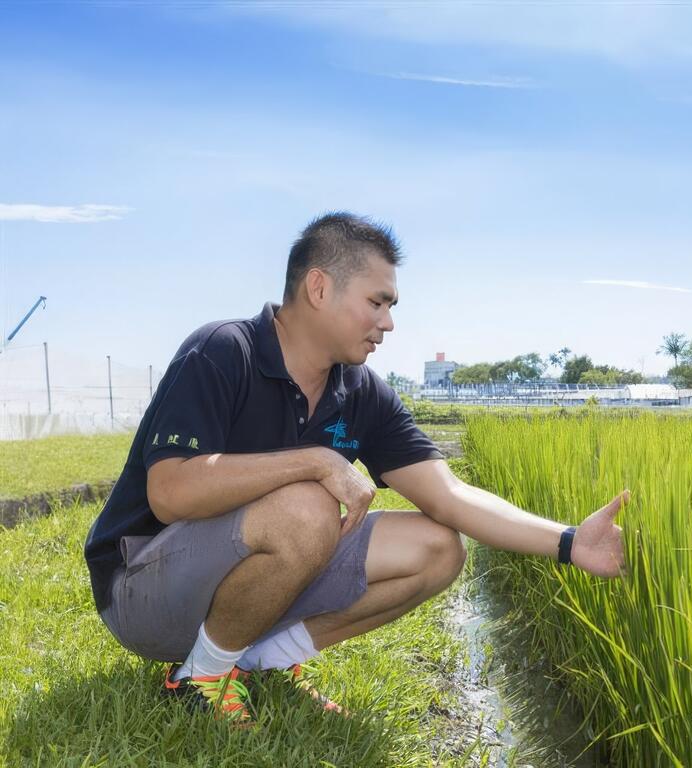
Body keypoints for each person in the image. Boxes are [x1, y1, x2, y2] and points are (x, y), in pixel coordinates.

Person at [84, 212, 627, 724]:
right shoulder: (224, 350)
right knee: (307, 502)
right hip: (143, 590)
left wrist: (570, 542)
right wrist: (315, 460)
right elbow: (170, 492)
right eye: (377, 302)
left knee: (440, 548)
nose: (388, 323)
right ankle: (201, 680)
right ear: (319, 288)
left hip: (237, 583)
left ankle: (256, 661)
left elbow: (449, 495)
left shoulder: (360, 390)